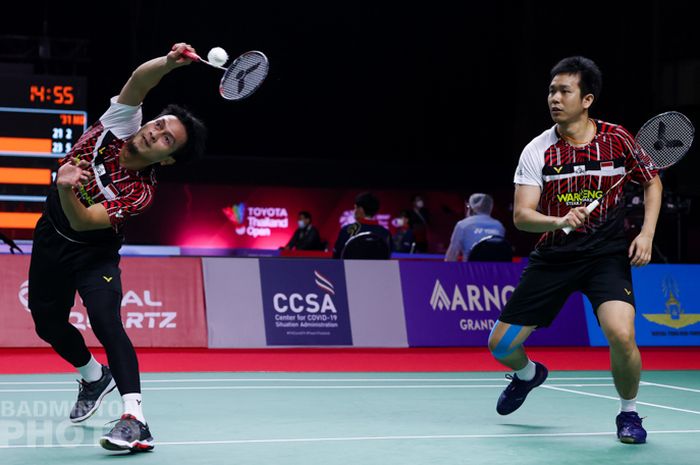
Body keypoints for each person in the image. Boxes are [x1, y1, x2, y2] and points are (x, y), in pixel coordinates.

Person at [27, 43, 207, 452]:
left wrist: (68, 186)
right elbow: (139, 81)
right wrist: (168, 63)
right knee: (46, 324)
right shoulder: (121, 122)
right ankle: (94, 377)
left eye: (166, 139)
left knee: (107, 320)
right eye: (160, 124)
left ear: (167, 159)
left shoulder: (141, 193)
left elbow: (84, 220)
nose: (155, 132)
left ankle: (135, 418)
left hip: (94, 252)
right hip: (51, 235)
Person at [487, 56, 661, 444]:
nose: (555, 98)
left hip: (606, 256)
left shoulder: (618, 139)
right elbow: (521, 216)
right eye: (551, 90)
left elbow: (652, 182)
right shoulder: (538, 150)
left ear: (587, 99)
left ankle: (628, 414)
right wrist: (559, 220)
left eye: (564, 90)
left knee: (621, 333)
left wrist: (647, 233)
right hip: (555, 257)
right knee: (500, 346)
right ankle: (529, 375)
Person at [445, 193, 506, 261]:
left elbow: (451, 257)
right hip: (497, 271)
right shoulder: (499, 226)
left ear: (471, 208)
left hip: (470, 270)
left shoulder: (462, 225)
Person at [333, 191, 391, 259]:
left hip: (351, 269)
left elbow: (337, 257)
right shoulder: (385, 233)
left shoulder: (347, 230)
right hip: (378, 269)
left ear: (360, 210)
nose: (354, 211)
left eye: (355, 208)